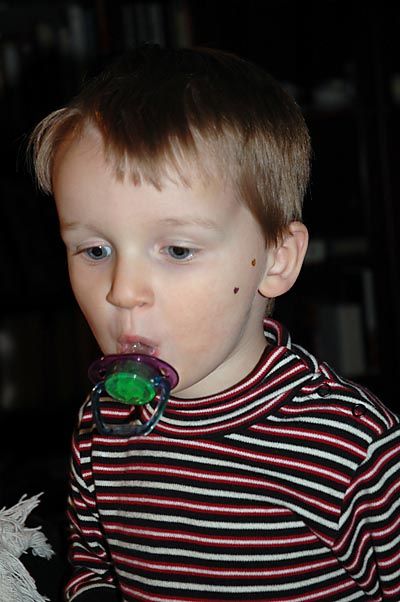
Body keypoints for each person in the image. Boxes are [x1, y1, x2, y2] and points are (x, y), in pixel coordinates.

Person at [28, 45, 400, 601]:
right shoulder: (103, 425)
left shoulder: (352, 447)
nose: (122, 291)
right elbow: (93, 563)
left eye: (177, 250)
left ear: (276, 260)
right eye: (95, 250)